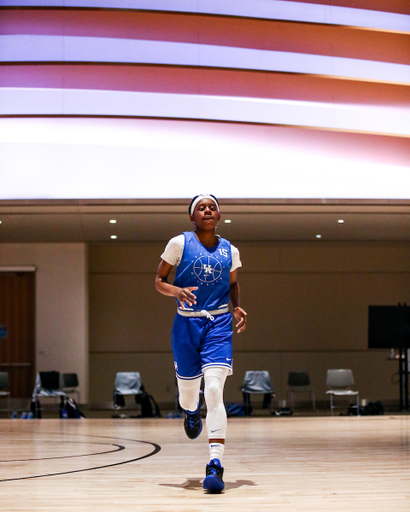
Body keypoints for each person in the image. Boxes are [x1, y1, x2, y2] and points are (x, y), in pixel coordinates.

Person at [155, 193, 247, 494]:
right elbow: (159, 281)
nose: (207, 211)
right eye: (201, 208)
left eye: (212, 208)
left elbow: (232, 283)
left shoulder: (230, 250)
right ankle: (191, 412)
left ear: (219, 217)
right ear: (192, 217)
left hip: (218, 325)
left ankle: (215, 465)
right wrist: (175, 291)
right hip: (186, 324)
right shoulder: (178, 244)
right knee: (188, 397)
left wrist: (235, 307)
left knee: (215, 390)